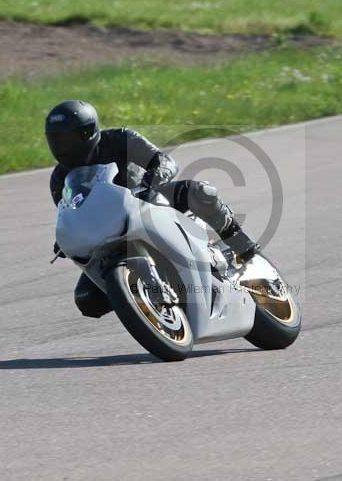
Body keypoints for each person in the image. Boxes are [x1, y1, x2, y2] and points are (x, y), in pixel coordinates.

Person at [45, 100, 260, 318]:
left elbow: (164, 160)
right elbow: (70, 212)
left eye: (67, 140)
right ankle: (140, 299)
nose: (63, 147)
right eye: (56, 141)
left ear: (87, 132)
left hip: (151, 202)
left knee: (200, 192)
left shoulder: (120, 139)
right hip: (108, 234)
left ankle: (239, 242)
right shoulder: (59, 179)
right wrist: (66, 235)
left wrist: (154, 177)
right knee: (87, 299)